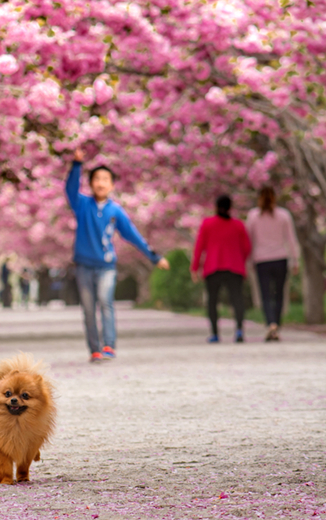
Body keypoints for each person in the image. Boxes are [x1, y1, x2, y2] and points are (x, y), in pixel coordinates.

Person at [66, 149, 169, 363]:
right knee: (87, 309)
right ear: (91, 183)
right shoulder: (82, 204)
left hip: (106, 266)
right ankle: (94, 349)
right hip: (84, 265)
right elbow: (70, 189)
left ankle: (108, 345)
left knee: (105, 302)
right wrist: (77, 165)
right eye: (96, 179)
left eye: (105, 179)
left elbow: (132, 234)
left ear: (112, 185)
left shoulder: (116, 211)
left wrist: (154, 256)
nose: (101, 183)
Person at [190, 195, 252, 343]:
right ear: (231, 207)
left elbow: (199, 247)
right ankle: (239, 331)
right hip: (235, 268)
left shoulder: (207, 224)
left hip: (213, 267)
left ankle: (215, 334)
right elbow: (247, 247)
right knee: (237, 300)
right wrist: (240, 260)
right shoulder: (238, 225)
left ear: (215, 206)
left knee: (212, 301)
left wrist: (194, 268)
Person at [246, 186, 300, 341]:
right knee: (279, 294)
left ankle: (270, 323)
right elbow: (291, 239)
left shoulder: (253, 216)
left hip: (261, 260)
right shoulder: (283, 215)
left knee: (265, 295)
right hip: (280, 259)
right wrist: (295, 260)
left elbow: (249, 240)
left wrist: (249, 261)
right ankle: (277, 324)